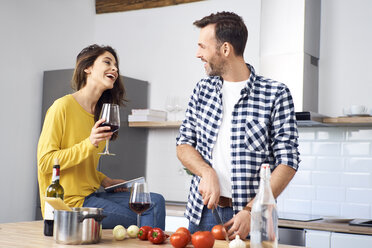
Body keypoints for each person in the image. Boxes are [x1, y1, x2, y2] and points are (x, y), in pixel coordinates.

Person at [176, 12, 300, 239]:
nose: (198, 54)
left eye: (203, 47)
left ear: (225, 49)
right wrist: (206, 171)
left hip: (251, 218)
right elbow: (183, 145)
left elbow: (288, 161)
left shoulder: (275, 94)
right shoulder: (202, 90)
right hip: (203, 213)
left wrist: (252, 209)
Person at [37, 44, 165, 229]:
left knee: (154, 201)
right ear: (87, 68)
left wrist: (105, 180)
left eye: (116, 65)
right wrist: (89, 143)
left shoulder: (98, 114)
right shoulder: (62, 107)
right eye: (107, 62)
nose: (115, 68)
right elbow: (46, 163)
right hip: (70, 204)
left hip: (92, 195)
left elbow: (79, 168)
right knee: (138, 216)